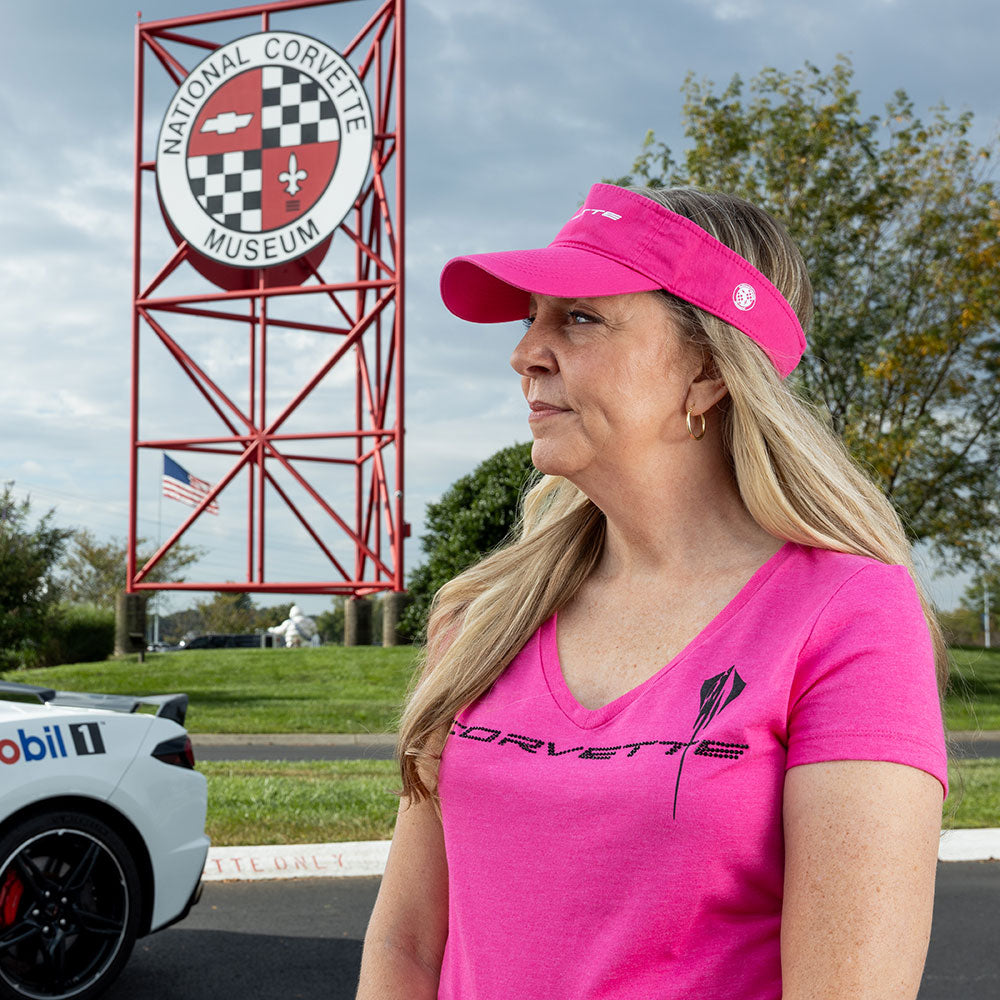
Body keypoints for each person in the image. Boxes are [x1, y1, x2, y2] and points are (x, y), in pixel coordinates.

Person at [355, 183, 949, 1000]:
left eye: (581, 317)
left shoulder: (848, 617)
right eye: (534, 314)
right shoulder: (481, 619)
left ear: (706, 371)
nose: (526, 350)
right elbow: (407, 946)